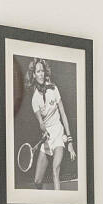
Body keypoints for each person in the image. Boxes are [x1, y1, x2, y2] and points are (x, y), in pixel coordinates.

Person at [23, 59, 72, 191]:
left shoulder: (54, 89)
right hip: (47, 137)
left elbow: (63, 114)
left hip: (58, 133)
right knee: (37, 181)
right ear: (33, 75)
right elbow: (41, 123)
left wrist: (69, 139)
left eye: (42, 71)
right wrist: (44, 131)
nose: (41, 74)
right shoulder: (35, 100)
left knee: (55, 170)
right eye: (38, 71)